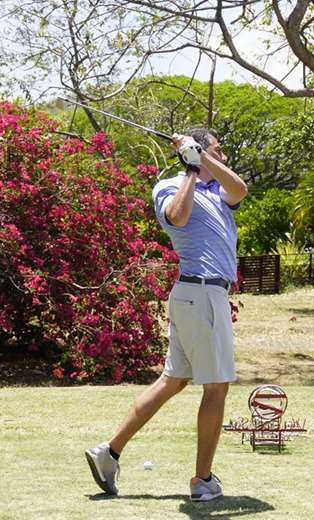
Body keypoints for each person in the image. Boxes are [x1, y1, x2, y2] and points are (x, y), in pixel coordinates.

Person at [85, 128, 246, 502]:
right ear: (197, 152)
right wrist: (190, 169)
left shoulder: (220, 190)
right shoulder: (168, 187)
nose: (222, 158)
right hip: (201, 291)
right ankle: (203, 481)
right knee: (217, 387)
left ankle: (108, 453)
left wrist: (200, 158)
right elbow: (176, 216)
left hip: (202, 296)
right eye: (216, 151)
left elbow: (240, 189)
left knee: (173, 380)